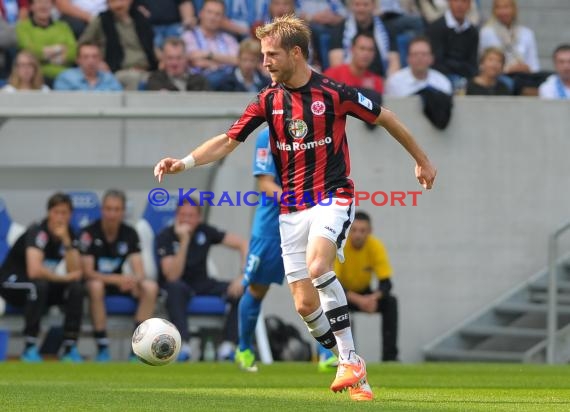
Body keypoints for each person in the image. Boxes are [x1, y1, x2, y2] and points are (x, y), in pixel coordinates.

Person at [153, 15, 436, 401]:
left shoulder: (334, 93)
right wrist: (183, 162)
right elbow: (227, 140)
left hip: (332, 196)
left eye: (272, 55)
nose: (264, 62)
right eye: (264, 54)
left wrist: (421, 159)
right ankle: (354, 370)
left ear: (296, 53)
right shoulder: (268, 100)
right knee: (304, 305)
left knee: (320, 266)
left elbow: (386, 117)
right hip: (292, 210)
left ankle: (350, 359)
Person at [156, 198, 248, 361]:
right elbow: (172, 275)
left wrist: (242, 276)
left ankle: (228, 346)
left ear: (199, 218)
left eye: (191, 215)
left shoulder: (204, 231)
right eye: (183, 215)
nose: (186, 219)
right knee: (174, 287)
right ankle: (183, 344)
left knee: (242, 290)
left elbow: (243, 244)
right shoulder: (165, 236)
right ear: (176, 216)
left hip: (203, 284)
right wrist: (184, 241)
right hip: (179, 286)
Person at [0, 192, 84, 362]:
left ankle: (70, 347)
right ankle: (29, 347)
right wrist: (64, 279)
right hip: (12, 283)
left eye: (64, 213)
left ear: (70, 215)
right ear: (49, 213)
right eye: (56, 212)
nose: (60, 217)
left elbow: (74, 272)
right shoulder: (37, 232)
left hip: (41, 284)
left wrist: (67, 241)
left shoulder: (70, 235)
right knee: (38, 286)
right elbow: (34, 271)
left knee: (77, 289)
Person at [79, 189, 158, 361]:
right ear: (102, 210)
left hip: (119, 284)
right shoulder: (89, 233)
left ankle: (137, 348)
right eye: (108, 209)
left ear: (123, 212)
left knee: (150, 287)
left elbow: (140, 271)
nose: (112, 214)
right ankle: (102, 347)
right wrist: (117, 280)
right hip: (97, 284)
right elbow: (87, 272)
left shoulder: (130, 233)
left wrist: (134, 281)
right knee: (95, 285)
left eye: (116, 209)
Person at [333, 211, 398, 362]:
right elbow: (335, 283)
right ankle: (347, 356)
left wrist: (372, 298)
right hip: (344, 294)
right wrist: (360, 300)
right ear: (348, 230)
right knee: (334, 304)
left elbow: (386, 283)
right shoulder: (339, 246)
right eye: (354, 230)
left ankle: (390, 358)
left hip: (366, 294)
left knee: (391, 302)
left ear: (369, 231)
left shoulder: (376, 246)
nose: (358, 235)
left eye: (362, 231)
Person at [79, 0, 158, 90]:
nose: (118, 5)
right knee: (133, 78)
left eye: (121, 0)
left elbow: (151, 46)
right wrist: (99, 62)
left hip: (147, 70)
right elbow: (83, 43)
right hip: (119, 71)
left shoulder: (140, 18)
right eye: (113, 2)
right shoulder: (102, 20)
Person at [328, 0, 400, 79]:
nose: (361, 9)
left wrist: (387, 84)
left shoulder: (386, 29)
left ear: (374, 6)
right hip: (349, 83)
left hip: (380, 82)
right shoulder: (340, 29)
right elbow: (336, 64)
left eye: (365, 5)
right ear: (351, 6)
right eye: (357, 4)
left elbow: (394, 62)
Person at [16, 0, 77, 85]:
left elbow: (72, 53)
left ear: (52, 6)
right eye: (39, 2)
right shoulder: (23, 27)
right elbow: (30, 53)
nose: (43, 6)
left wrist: (44, 56)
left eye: (47, 2)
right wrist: (59, 49)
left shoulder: (63, 27)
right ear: (31, 7)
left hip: (64, 76)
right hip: (36, 77)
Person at [181, 0, 239, 89]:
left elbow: (238, 60)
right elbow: (195, 61)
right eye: (209, 12)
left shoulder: (229, 39)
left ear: (223, 18)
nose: (213, 17)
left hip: (228, 84)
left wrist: (208, 55)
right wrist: (224, 62)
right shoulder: (189, 36)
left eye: (217, 14)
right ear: (201, 14)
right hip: (199, 85)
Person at [425, 0, 478, 90]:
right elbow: (437, 62)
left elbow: (472, 63)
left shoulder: (473, 32)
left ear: (469, 5)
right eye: (456, 1)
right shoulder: (436, 28)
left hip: (465, 76)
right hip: (441, 76)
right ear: (449, 3)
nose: (459, 5)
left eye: (464, 1)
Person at [479, 0, 539, 75]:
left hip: (523, 78)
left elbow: (534, 65)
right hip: (498, 79)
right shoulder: (486, 32)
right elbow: (482, 64)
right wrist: (508, 69)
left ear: (514, 9)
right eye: (498, 7)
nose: (503, 12)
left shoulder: (527, 33)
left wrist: (525, 68)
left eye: (506, 7)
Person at [385, 35, 452, 96]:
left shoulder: (442, 82)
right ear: (408, 58)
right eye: (415, 54)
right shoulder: (395, 82)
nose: (419, 58)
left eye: (424, 54)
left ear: (432, 58)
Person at [53, 41, 123, 91]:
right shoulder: (66, 78)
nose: (91, 61)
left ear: (100, 59)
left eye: (95, 56)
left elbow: (118, 102)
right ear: (78, 60)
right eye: (86, 57)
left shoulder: (109, 78)